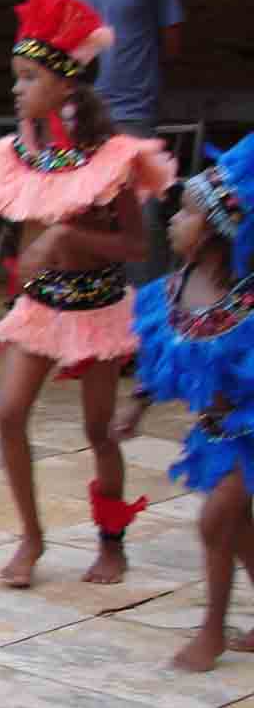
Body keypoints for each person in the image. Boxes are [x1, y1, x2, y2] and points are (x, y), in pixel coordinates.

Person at [0, 0, 175, 588]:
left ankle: (111, 541)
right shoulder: (18, 155)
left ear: (64, 86)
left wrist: (67, 237)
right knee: (8, 413)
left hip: (98, 306)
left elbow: (135, 247)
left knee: (97, 431)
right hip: (42, 305)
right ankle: (30, 538)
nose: (17, 89)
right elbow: (29, 232)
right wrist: (31, 263)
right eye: (16, 78)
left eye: (29, 78)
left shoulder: (110, 158)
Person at [120, 141, 254, 670]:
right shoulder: (170, 291)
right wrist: (136, 405)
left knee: (216, 521)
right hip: (215, 432)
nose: (173, 221)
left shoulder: (247, 301)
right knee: (238, 527)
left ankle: (212, 632)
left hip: (250, 431)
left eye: (187, 213)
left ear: (218, 229)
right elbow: (160, 359)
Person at [53, 0, 185, 282]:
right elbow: (53, 51)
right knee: (76, 213)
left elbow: (171, 42)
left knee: (140, 214)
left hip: (131, 111)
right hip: (75, 115)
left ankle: (147, 309)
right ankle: (85, 308)